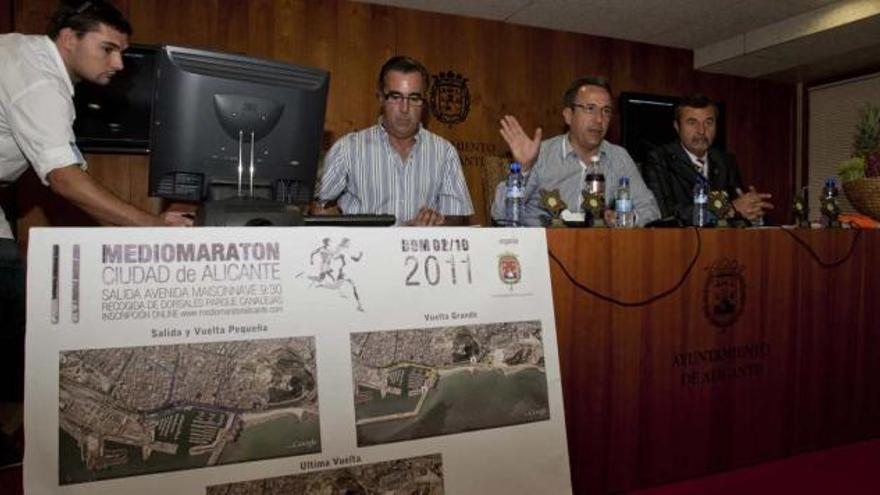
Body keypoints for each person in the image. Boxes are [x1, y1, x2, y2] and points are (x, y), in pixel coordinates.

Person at [0, 0, 191, 458]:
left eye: (120, 51)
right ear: (69, 39)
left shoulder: (31, 61)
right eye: (107, 49)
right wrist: (151, 227)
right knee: (10, 304)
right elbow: (64, 178)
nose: (119, 63)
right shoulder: (39, 78)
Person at [314, 56, 473, 226]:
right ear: (381, 98)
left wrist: (437, 222)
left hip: (421, 251)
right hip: (367, 251)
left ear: (424, 102)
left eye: (414, 98)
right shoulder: (348, 149)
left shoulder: (445, 152)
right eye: (396, 96)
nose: (404, 109)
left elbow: (458, 216)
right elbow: (317, 206)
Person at [490, 76, 660, 227]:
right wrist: (524, 167)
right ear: (568, 115)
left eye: (606, 111)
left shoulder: (619, 157)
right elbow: (500, 215)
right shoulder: (541, 154)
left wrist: (625, 219)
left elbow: (651, 210)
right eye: (590, 108)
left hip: (598, 252)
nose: (599, 119)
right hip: (542, 253)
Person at [641, 93, 773, 225]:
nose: (702, 131)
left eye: (709, 122)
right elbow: (667, 214)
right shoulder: (659, 159)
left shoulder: (725, 161)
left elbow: (739, 206)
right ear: (677, 126)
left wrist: (754, 212)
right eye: (692, 122)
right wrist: (728, 208)